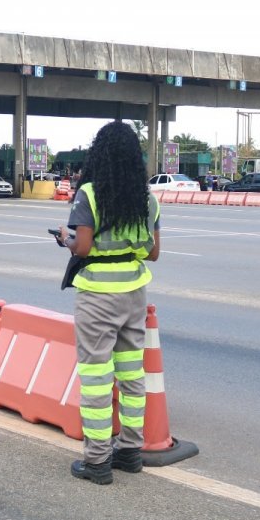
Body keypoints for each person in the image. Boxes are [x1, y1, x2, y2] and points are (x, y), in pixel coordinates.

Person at [55, 121, 161, 485]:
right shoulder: (147, 200)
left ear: (98, 154)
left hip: (98, 295)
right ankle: (130, 451)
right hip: (134, 293)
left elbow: (82, 247)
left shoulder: (89, 194)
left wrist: (66, 239)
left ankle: (97, 460)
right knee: (132, 375)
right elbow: (153, 252)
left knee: (97, 378)